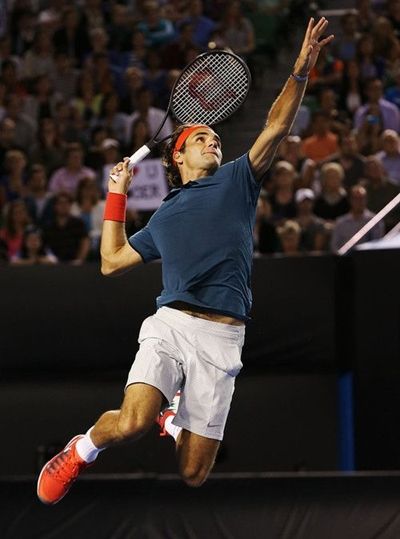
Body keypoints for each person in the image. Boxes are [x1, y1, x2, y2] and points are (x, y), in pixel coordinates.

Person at [37, 17, 334, 505]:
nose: (213, 141)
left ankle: (173, 423)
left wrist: (300, 71)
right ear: (176, 157)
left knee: (194, 472)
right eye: (200, 138)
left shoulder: (238, 180)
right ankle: (82, 448)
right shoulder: (161, 219)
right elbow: (111, 261)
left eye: (216, 138)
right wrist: (117, 196)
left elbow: (276, 125)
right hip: (171, 325)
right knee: (132, 421)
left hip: (223, 337)